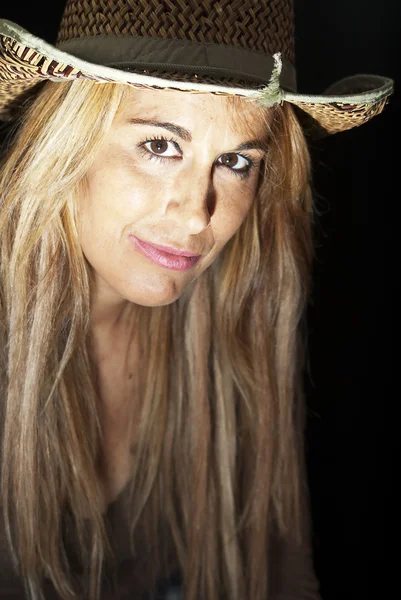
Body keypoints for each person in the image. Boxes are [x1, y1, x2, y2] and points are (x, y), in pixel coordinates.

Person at [0, 1, 393, 599]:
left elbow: (285, 574)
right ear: (64, 145)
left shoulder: (233, 336)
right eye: (159, 145)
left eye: (236, 162)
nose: (196, 214)